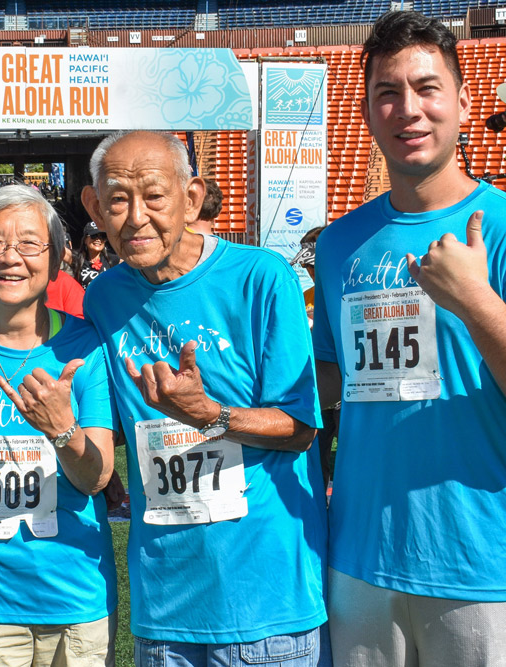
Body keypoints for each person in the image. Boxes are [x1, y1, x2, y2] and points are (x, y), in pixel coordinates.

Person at [81, 131, 327, 666]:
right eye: (118, 199)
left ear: (191, 198)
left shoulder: (262, 277)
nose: (136, 217)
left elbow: (301, 428)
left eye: (154, 196)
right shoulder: (103, 297)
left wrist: (209, 416)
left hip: (265, 603)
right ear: (94, 207)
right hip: (164, 604)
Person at [312, 11, 506, 666]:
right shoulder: (340, 243)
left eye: (427, 88)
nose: (408, 109)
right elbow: (331, 378)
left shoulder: (501, 227)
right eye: (387, 93)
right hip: (361, 557)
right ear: (367, 113)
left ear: (463, 101)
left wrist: (475, 299)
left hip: (481, 562)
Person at [0, 184, 119, 666]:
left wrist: (61, 428)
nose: (11, 256)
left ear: (56, 261)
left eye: (30, 243)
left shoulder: (85, 348)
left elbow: (95, 477)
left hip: (74, 600)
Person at [291, 226, 337, 491]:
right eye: (307, 267)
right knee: (315, 455)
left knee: (348, 455)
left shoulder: (344, 287)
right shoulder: (305, 295)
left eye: (314, 265)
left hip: (344, 388)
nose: (310, 271)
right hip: (317, 385)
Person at [73, 221, 118, 290]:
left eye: (102, 236)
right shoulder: (77, 259)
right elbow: (59, 250)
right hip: (84, 300)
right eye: (93, 236)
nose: (98, 240)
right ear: (85, 240)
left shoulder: (112, 259)